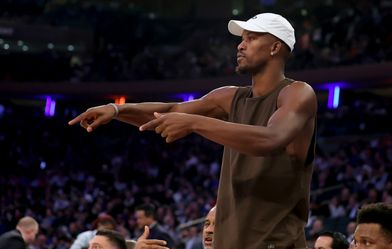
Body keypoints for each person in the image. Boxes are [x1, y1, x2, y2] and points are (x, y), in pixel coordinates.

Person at [69, 12, 317, 248]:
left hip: (276, 243)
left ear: (275, 47)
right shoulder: (230, 97)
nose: (240, 46)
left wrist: (195, 123)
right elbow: (174, 108)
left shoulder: (297, 93)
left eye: (251, 39)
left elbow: (271, 139)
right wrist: (117, 110)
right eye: (242, 40)